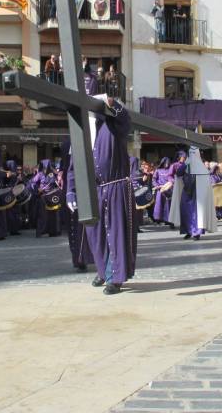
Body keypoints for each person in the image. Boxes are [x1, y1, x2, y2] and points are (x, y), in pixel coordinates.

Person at [67, 95, 136, 295]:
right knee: (96, 236)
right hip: (93, 190)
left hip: (116, 187)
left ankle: (115, 277)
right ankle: (102, 271)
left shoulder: (114, 126)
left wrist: (115, 106)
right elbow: (73, 167)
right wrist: (71, 190)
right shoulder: (81, 133)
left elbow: (125, 119)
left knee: (115, 234)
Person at [170, 146, 217, 240]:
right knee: (185, 211)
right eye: (190, 153)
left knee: (197, 213)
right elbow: (178, 173)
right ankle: (188, 231)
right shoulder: (186, 164)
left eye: (194, 153)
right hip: (186, 192)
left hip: (198, 193)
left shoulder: (202, 166)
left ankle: (196, 233)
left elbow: (206, 180)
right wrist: (184, 164)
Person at [152, 157, 173, 226]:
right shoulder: (158, 170)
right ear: (163, 163)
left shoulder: (171, 170)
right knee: (159, 204)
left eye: (168, 163)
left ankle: (167, 219)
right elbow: (154, 179)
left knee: (168, 205)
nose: (167, 164)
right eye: (165, 163)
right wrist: (157, 185)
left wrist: (169, 184)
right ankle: (158, 218)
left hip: (168, 189)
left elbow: (173, 178)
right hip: (160, 190)